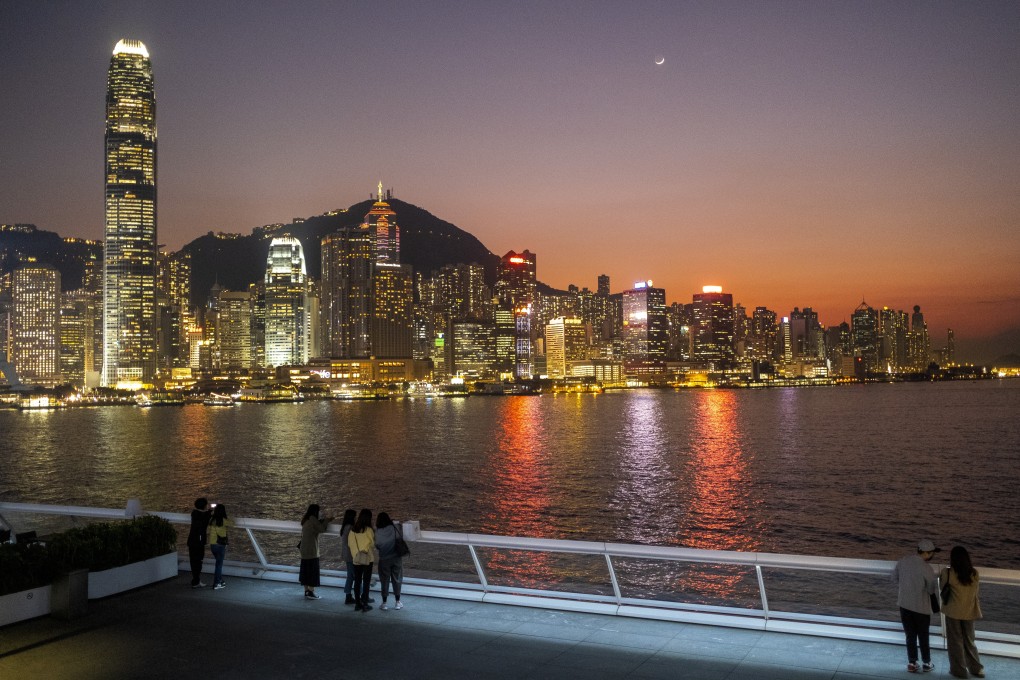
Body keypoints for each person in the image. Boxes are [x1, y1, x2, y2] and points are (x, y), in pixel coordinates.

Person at [893, 538, 940, 673]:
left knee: (910, 635)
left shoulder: (903, 561)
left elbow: (894, 578)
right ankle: (927, 662)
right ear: (928, 553)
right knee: (923, 635)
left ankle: (912, 663)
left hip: (904, 604)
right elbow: (930, 589)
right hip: (921, 607)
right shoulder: (926, 568)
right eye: (932, 553)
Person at [941, 546, 985, 678]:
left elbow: (942, 587)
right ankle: (976, 669)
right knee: (969, 641)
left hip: (953, 611)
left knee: (955, 642)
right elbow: (975, 592)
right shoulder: (974, 573)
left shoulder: (948, 572)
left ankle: (959, 671)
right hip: (969, 611)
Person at [299, 504, 334, 599]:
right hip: (311, 550)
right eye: (319, 511)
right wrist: (327, 520)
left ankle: (306, 591)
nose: (320, 512)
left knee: (305, 570)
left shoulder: (306, 519)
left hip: (304, 549)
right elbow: (322, 529)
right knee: (312, 571)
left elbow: (316, 526)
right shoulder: (313, 519)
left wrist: (323, 521)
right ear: (315, 511)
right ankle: (311, 592)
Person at [374, 512, 405, 611]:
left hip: (384, 559)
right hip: (396, 558)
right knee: (397, 579)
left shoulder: (377, 531)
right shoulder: (395, 527)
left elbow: (377, 545)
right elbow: (401, 535)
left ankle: (384, 603)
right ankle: (397, 602)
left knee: (384, 581)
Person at [347, 508, 375, 612]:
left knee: (357, 581)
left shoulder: (352, 531)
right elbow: (372, 544)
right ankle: (365, 604)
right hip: (368, 559)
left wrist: (356, 554)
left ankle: (357, 604)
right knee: (366, 582)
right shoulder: (369, 530)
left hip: (356, 559)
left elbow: (350, 544)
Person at [186, 498, 212, 589]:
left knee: (193, 561)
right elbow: (204, 523)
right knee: (198, 561)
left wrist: (208, 512)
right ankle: (196, 581)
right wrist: (210, 512)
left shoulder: (194, 513)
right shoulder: (203, 516)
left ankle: (195, 580)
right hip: (198, 542)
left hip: (192, 541)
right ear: (204, 506)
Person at [207, 504, 231, 590]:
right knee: (219, 565)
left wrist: (210, 511)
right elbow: (233, 523)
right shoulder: (224, 520)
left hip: (213, 544)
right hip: (221, 545)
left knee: (218, 563)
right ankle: (217, 583)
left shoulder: (211, 520)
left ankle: (220, 580)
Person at [339, 509, 357, 605]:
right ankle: (350, 595)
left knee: (351, 575)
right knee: (353, 576)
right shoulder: (351, 528)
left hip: (347, 554)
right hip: (351, 555)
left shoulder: (345, 527)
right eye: (355, 516)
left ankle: (348, 595)